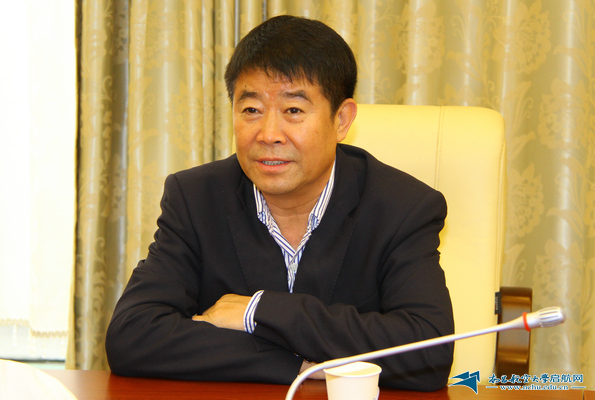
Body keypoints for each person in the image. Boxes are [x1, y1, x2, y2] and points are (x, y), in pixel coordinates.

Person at [105, 15, 454, 391]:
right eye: (251, 110)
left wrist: (258, 310)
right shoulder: (195, 198)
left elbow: (428, 353)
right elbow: (132, 336)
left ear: (341, 119)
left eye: (293, 111)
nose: (269, 134)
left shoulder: (403, 207)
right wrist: (295, 364)